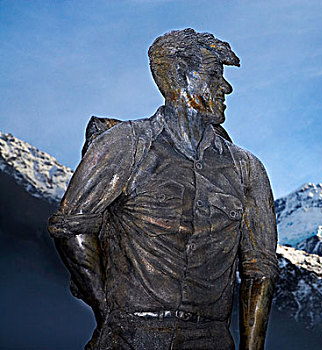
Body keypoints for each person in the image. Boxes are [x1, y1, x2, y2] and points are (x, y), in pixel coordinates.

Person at [48, 28, 278, 350]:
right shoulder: (125, 145)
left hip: (212, 339)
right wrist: (107, 312)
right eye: (214, 74)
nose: (226, 87)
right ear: (182, 75)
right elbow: (71, 226)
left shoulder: (247, 168)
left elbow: (260, 269)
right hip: (129, 337)